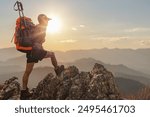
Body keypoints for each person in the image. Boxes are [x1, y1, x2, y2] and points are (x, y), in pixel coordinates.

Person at [21, 14, 64, 99]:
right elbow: (39, 39)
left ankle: (23, 92)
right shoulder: (41, 27)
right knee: (52, 54)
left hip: (30, 51)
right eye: (46, 20)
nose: (48, 21)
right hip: (37, 51)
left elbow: (34, 38)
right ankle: (57, 70)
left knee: (27, 72)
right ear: (42, 20)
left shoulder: (36, 27)